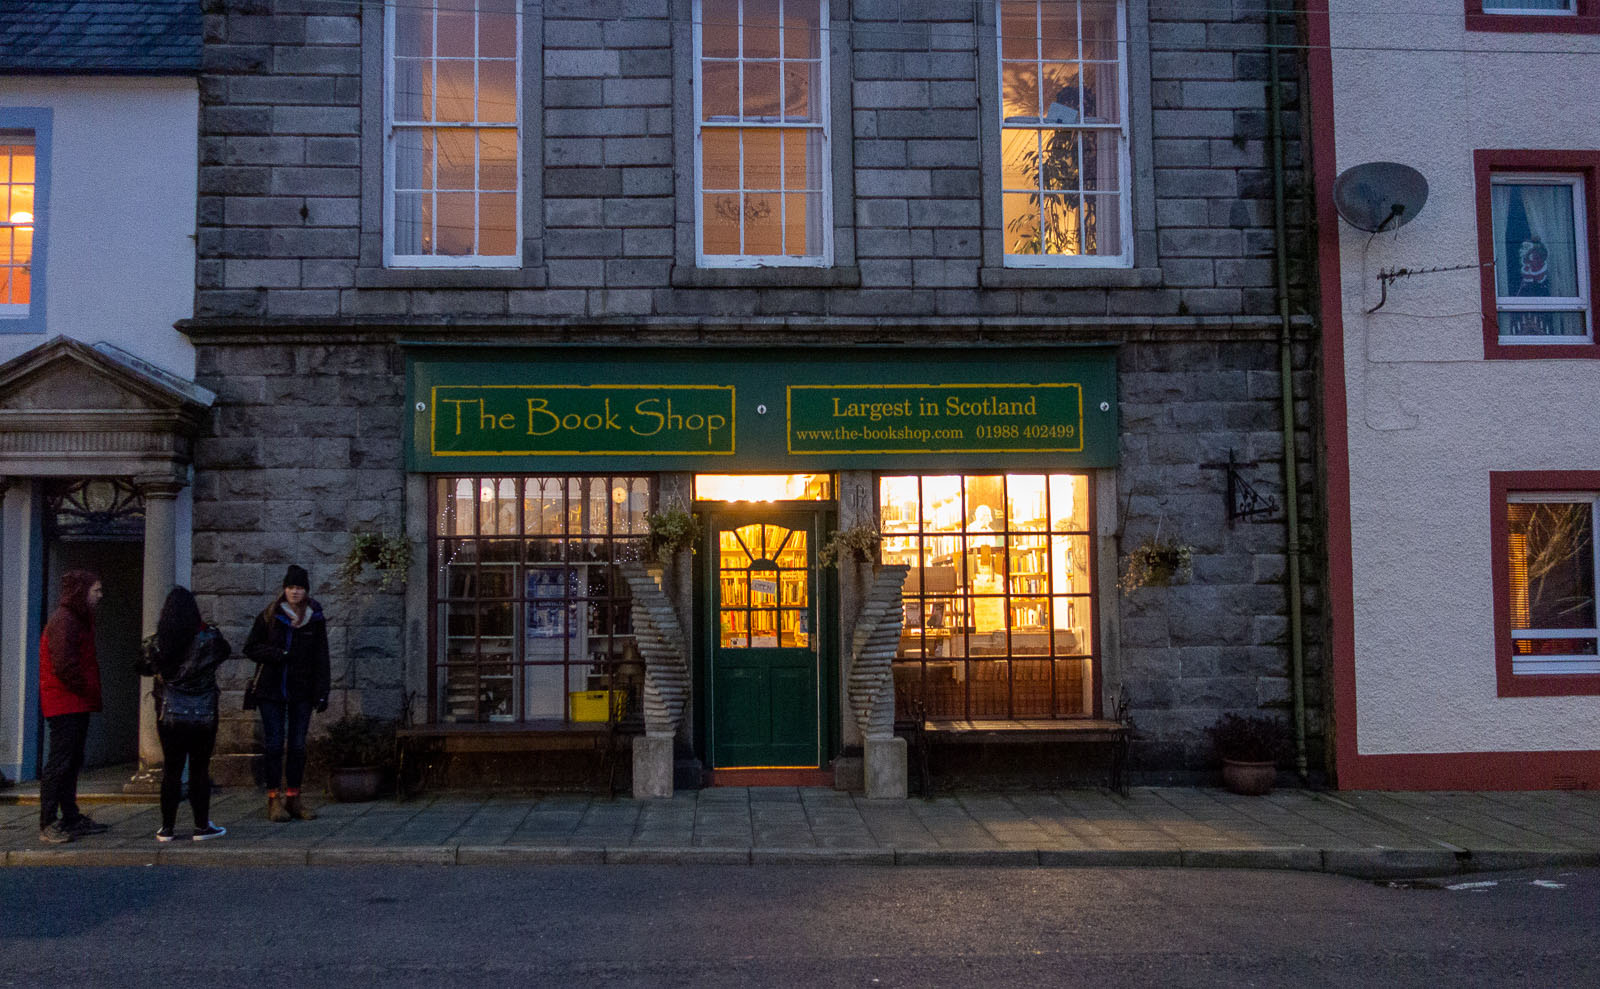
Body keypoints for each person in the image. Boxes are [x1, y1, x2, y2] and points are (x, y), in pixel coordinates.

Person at [139, 586, 230, 842]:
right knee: (200, 769)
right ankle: (202, 826)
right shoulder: (209, 639)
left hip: (170, 714)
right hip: (203, 714)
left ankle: (167, 828)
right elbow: (225, 651)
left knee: (172, 769)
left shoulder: (157, 642)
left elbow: (141, 666)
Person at [244, 565, 329, 822]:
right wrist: (278, 655)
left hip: (301, 690)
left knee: (298, 746)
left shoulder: (314, 618)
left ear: (306, 591)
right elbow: (251, 647)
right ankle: (273, 798)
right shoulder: (270, 615)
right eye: (291, 587)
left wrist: (322, 691)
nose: (295, 592)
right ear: (284, 589)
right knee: (273, 744)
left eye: (299, 588)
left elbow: (321, 657)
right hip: (272, 690)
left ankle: (294, 797)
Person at [37, 570, 108, 844]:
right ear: (82, 591)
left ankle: (70, 815)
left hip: (75, 700)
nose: (100, 596)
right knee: (60, 761)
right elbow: (64, 664)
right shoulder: (65, 621)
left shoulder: (77, 619)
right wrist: (84, 688)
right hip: (65, 701)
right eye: (96, 590)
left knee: (71, 761)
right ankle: (48, 821)